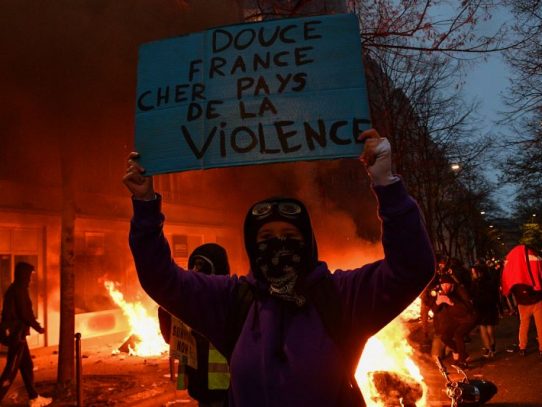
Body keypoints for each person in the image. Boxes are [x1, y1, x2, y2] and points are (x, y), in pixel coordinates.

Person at [123, 128, 435, 406]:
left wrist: (386, 184)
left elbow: (412, 268)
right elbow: (161, 278)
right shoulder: (234, 300)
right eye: (267, 238)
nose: (278, 245)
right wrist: (146, 205)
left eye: (289, 236)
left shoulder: (339, 295)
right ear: (252, 247)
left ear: (307, 243)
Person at [158, 243, 231, 407]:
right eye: (195, 264)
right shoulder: (188, 303)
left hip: (226, 387)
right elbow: (171, 338)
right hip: (199, 385)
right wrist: (165, 309)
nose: (197, 269)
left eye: (202, 264)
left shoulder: (229, 300)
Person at [0, 262, 52, 406]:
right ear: (23, 275)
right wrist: (38, 327)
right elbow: (25, 314)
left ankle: (34, 397)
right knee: (10, 370)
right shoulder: (19, 290)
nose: (30, 279)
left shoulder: (15, 288)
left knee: (27, 366)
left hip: (18, 334)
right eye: (28, 276)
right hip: (17, 336)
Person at [501, 244, 542, 357]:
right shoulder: (533, 257)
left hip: (522, 304)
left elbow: (508, 286)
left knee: (524, 325)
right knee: (540, 326)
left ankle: (522, 347)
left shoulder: (511, 268)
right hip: (537, 301)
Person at [430, 274, 477, 369]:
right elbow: (435, 310)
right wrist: (437, 303)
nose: (445, 287)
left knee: (458, 335)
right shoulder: (442, 293)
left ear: (452, 284)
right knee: (445, 337)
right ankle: (460, 353)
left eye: (447, 285)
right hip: (456, 320)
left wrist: (451, 302)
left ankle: (462, 362)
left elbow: (467, 309)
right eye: (443, 285)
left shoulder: (460, 291)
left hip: (468, 318)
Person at [470, 263, 500, 358]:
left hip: (481, 307)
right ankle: (492, 347)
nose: (473, 275)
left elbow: (473, 296)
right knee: (489, 328)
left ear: (480, 273)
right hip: (489, 307)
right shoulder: (489, 281)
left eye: (474, 273)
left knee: (483, 328)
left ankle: (488, 349)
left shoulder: (476, 283)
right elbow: (495, 295)